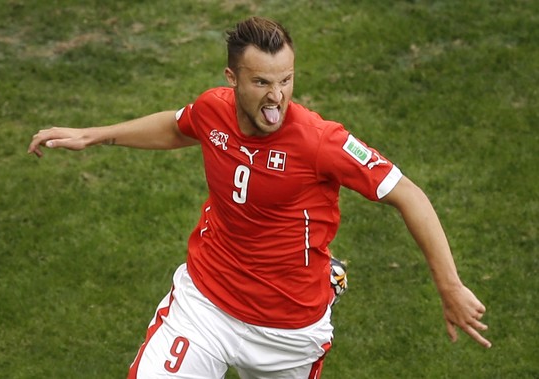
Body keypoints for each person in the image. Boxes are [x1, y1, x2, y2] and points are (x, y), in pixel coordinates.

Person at [28, 16, 491, 379]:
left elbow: (408, 194)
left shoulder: (319, 141)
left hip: (288, 331)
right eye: (261, 83)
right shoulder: (213, 109)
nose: (276, 98)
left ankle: (322, 274)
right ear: (233, 77)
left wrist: (449, 286)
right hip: (205, 303)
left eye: (285, 81)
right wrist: (95, 136)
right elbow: (177, 126)